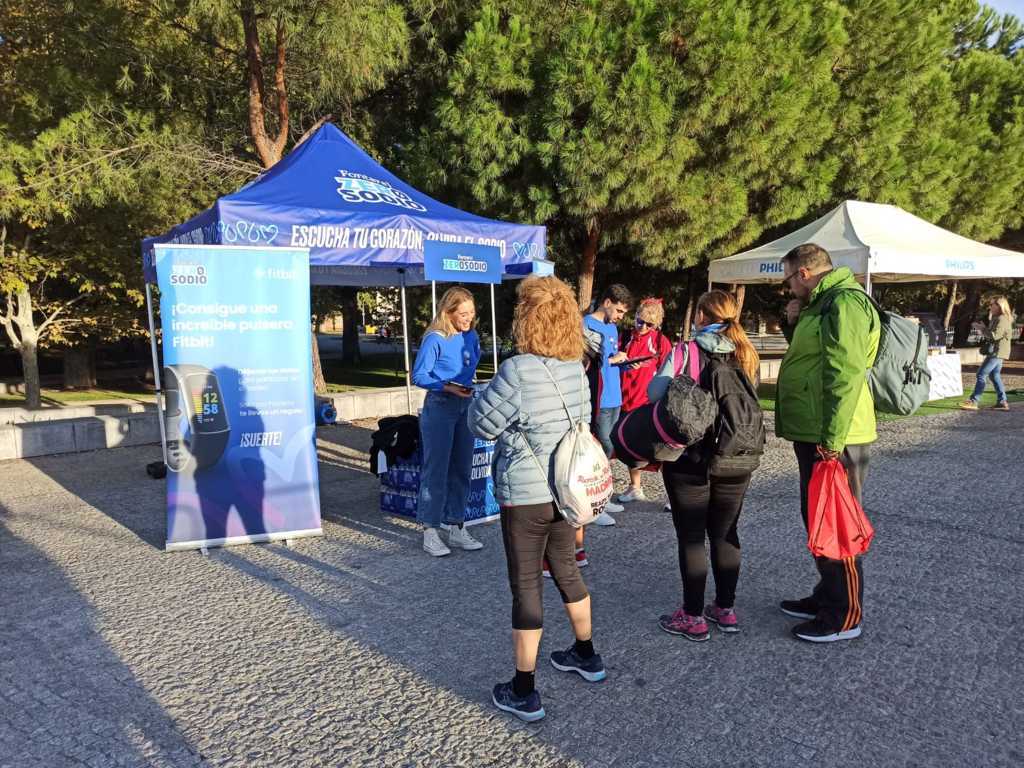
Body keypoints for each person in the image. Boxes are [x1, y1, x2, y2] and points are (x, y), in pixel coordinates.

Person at [471, 276, 607, 723]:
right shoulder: (576, 368)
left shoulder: (517, 370)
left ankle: (524, 689)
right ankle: (586, 653)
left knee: (526, 585)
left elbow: (481, 424)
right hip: (568, 490)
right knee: (566, 568)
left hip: (526, 494)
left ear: (525, 319)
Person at [776, 243, 879, 643]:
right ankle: (827, 595)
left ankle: (844, 615)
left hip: (837, 435)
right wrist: (792, 324)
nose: (788, 288)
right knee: (818, 517)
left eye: (788, 280)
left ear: (803, 273)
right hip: (818, 430)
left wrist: (832, 440)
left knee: (838, 522)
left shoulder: (845, 302)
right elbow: (813, 359)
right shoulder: (820, 303)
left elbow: (844, 373)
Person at [647, 290, 759, 640]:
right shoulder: (746, 353)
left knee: (692, 537)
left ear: (700, 316)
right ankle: (725, 609)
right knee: (726, 533)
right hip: (736, 456)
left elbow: (654, 394)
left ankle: (692, 616)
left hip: (691, 457)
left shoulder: (685, 351)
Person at [410, 286, 484, 557]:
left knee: (462, 467)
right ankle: (430, 530)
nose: (468, 318)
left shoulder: (471, 335)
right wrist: (447, 386)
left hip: (465, 404)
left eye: (471, 313)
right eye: (463, 314)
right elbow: (419, 375)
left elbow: (472, 362)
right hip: (440, 406)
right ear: (448, 312)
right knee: (437, 469)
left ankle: (456, 526)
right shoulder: (435, 338)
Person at [583, 283, 634, 524]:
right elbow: (589, 363)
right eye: (619, 310)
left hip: (615, 396)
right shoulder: (586, 325)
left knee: (609, 448)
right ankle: (593, 504)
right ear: (606, 303)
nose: (621, 317)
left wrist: (625, 363)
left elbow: (611, 360)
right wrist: (613, 360)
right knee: (601, 446)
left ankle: (603, 497)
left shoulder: (612, 327)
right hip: (599, 397)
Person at [616, 297, 673, 503]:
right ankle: (635, 487)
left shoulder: (660, 341)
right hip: (626, 399)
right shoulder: (625, 337)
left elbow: (669, 371)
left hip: (649, 403)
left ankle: (672, 495)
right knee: (630, 446)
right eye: (640, 321)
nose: (643, 327)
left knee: (661, 449)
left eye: (649, 324)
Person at [960, 296, 1014, 412]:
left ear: (999, 306)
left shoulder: (1002, 319)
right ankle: (1002, 402)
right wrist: (983, 328)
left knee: (981, 374)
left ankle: (974, 401)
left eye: (992, 304)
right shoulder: (997, 318)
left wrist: (982, 328)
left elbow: (995, 336)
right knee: (994, 375)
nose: (990, 307)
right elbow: (992, 334)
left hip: (997, 352)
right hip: (997, 351)